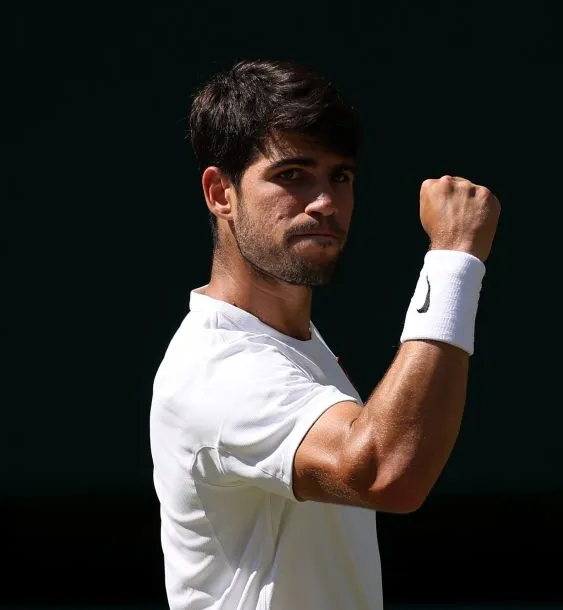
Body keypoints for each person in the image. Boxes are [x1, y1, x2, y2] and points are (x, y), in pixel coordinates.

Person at [149, 59, 501, 610]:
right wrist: (454, 258)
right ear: (220, 194)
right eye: (291, 174)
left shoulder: (290, 345)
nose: (325, 202)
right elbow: (384, 471)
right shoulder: (217, 368)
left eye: (340, 176)